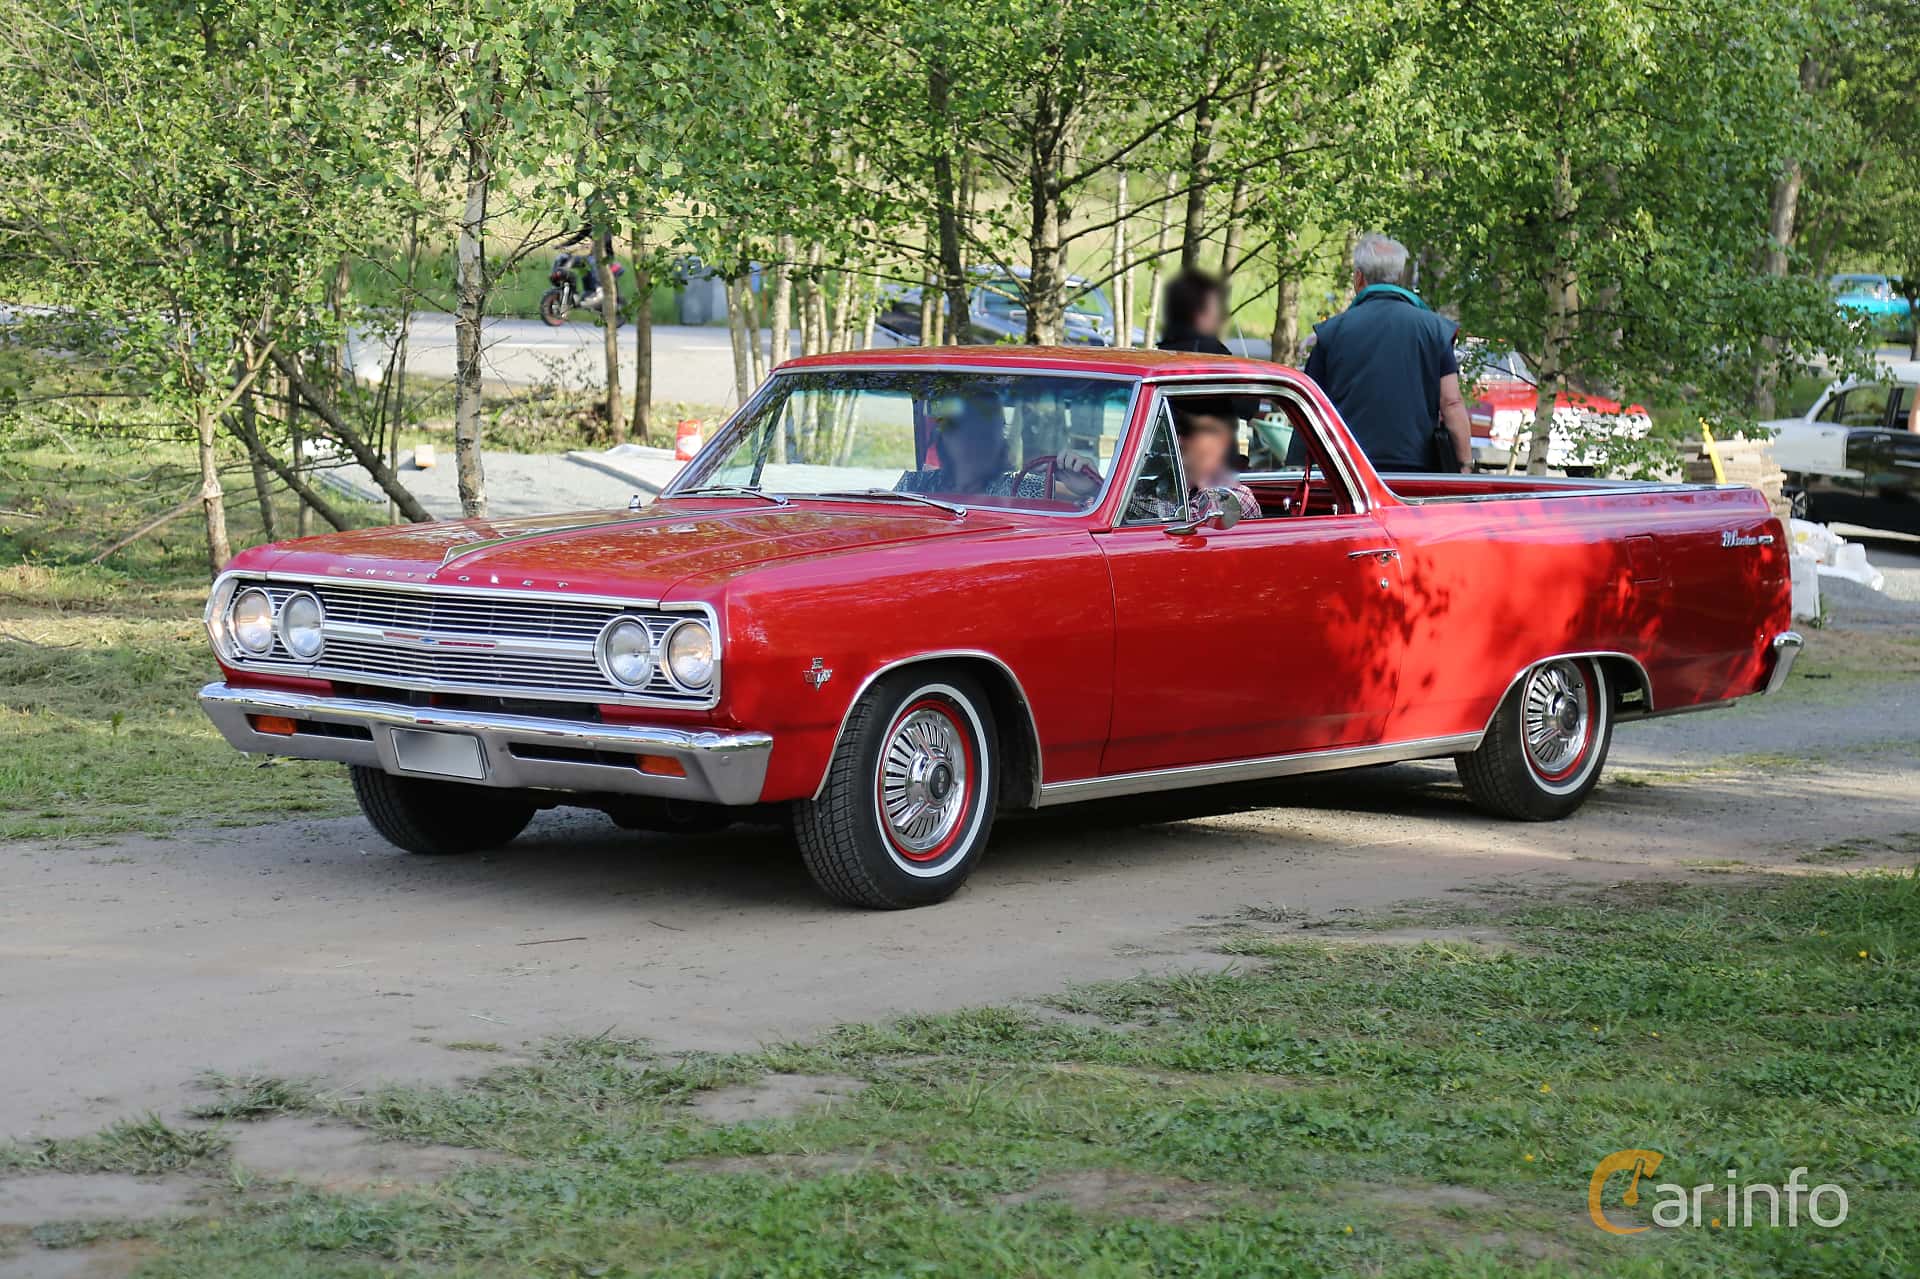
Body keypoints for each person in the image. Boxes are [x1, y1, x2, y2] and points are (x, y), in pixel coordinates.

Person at [1303, 235, 1472, 474]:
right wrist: (1464, 464)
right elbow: (1451, 402)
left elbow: (1311, 407)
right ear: (1400, 277)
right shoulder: (1435, 330)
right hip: (1416, 473)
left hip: (1348, 474)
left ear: (1358, 278)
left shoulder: (1332, 332)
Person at [897, 393, 1100, 501]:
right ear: (946, 435)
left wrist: (1094, 489)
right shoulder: (913, 487)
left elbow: (1119, 510)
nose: (975, 441)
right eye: (965, 428)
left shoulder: (1020, 487)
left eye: (986, 431)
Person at [1129, 401, 1261, 522]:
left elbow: (1187, 520)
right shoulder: (1153, 486)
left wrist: (1203, 480)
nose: (1180, 441)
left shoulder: (1237, 496)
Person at [1158, 270, 1232, 355]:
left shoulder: (1163, 350)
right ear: (1197, 315)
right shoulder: (1216, 355)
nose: (1220, 317)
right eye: (1215, 309)